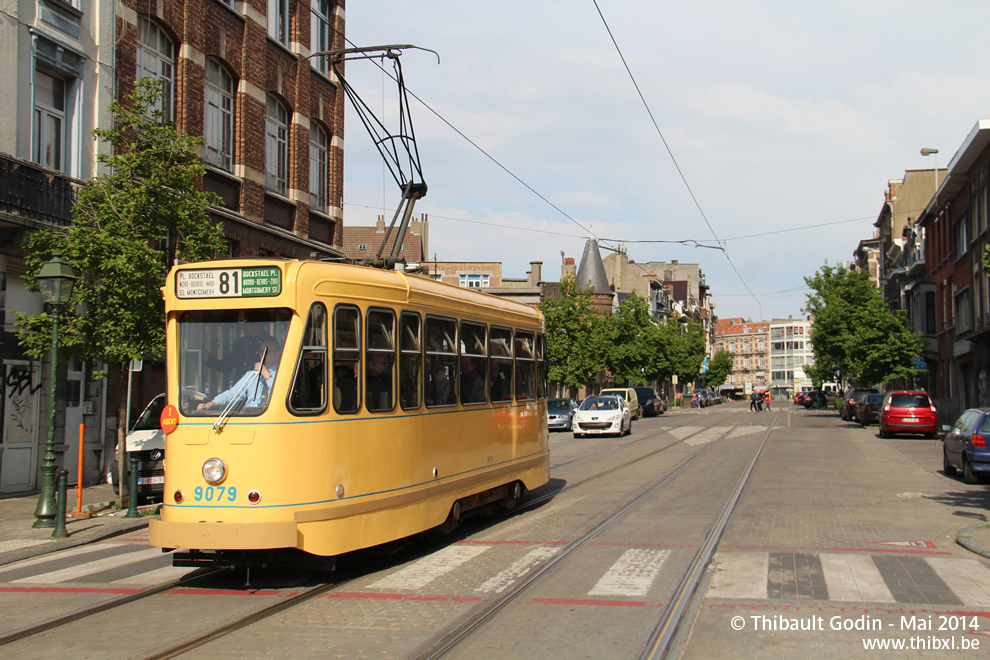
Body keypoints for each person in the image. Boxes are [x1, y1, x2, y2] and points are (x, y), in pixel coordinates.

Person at [198, 339, 281, 412]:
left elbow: (280, 394)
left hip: (271, 417)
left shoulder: (282, 373)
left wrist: (266, 374)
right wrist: (211, 403)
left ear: (277, 354)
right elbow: (232, 394)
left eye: (266, 352)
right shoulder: (252, 375)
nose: (261, 355)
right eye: (260, 352)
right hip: (251, 416)